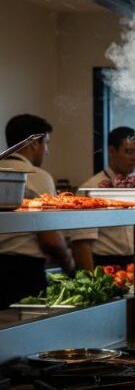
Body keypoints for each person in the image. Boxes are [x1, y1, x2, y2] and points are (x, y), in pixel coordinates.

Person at [0, 114, 77, 308]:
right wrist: (69, 264)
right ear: (34, 143)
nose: (47, 151)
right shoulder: (36, 176)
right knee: (27, 334)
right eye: (46, 143)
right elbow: (50, 238)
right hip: (23, 272)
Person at [71, 127, 135, 269]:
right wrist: (92, 283)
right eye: (129, 152)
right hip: (105, 265)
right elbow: (81, 244)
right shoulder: (91, 189)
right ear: (111, 151)